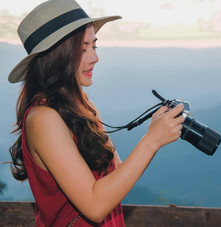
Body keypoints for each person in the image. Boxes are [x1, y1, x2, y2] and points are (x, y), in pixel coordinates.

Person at [7, 0, 184, 226]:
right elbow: (95, 206)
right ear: (56, 56)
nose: (94, 57)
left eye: (94, 46)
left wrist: (156, 130)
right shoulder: (43, 118)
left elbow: (116, 176)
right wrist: (151, 141)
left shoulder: (85, 107)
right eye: (82, 49)